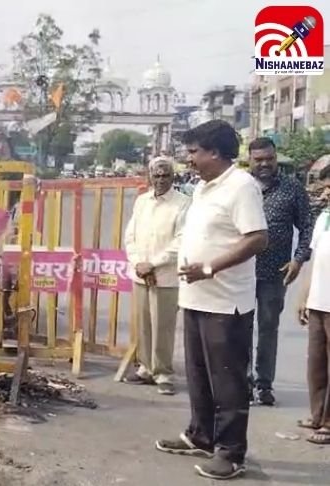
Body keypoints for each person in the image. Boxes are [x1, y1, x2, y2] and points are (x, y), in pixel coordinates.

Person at [155, 120, 268, 480]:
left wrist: (209, 266)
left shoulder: (241, 186)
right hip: (196, 298)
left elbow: (257, 239)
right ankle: (201, 435)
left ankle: (232, 453)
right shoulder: (204, 188)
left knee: (228, 379)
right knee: (199, 374)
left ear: (215, 153)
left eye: (193, 152)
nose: (188, 159)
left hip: (225, 302)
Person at [247, 137, 313, 406]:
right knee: (238, 329)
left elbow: (307, 227)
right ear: (249, 160)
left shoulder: (292, 188)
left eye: (269, 159)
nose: (264, 164)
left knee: (267, 329)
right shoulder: (241, 188)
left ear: (276, 158)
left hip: (276, 272)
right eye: (258, 159)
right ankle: (243, 381)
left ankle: (264, 385)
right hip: (240, 271)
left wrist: (298, 260)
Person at [123, 156, 190, 395]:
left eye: (166, 175)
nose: (161, 180)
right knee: (143, 323)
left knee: (163, 326)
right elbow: (130, 237)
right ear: (149, 177)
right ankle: (145, 368)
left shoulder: (183, 203)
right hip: (141, 273)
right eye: (157, 175)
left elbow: (181, 241)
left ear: (173, 177)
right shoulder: (142, 202)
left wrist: (153, 264)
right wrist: (138, 263)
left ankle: (163, 373)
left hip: (166, 275)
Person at [297, 164, 330, 445]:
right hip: (319, 302)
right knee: (316, 364)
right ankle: (317, 415)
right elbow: (313, 259)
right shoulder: (323, 219)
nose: (326, 193)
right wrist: (303, 297)